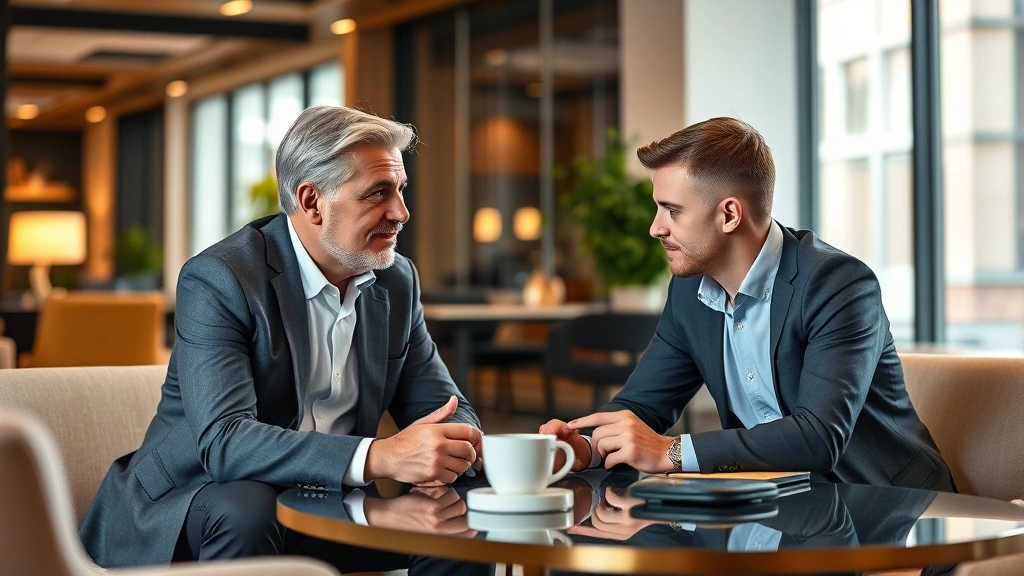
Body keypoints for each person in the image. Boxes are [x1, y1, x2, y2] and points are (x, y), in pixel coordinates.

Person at [80, 106, 488, 574]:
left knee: (459, 510)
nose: (401, 212)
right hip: (198, 501)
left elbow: (448, 409)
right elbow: (225, 441)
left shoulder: (396, 280)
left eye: (400, 190)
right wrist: (380, 456)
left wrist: (451, 452)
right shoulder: (222, 278)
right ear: (312, 201)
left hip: (332, 502)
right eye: (379, 192)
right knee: (248, 508)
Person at [542, 117, 955, 493]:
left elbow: (817, 438)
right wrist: (588, 447)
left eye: (672, 210)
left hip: (893, 508)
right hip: (780, 511)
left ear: (729, 215)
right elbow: (642, 406)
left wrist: (669, 452)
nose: (656, 227)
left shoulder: (838, 285)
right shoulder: (690, 293)